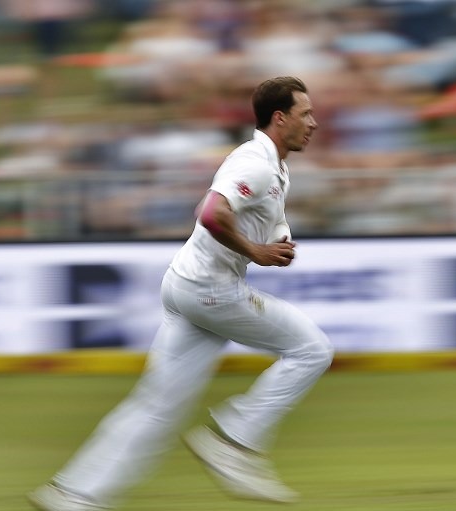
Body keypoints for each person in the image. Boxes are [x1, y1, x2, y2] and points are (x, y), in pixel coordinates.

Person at [28, 76, 334, 511]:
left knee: (155, 408)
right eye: (305, 114)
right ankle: (236, 439)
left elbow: (244, 217)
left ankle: (74, 495)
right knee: (313, 349)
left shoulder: (272, 167)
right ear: (279, 118)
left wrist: (272, 242)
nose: (314, 123)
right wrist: (257, 252)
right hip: (210, 291)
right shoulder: (257, 163)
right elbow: (210, 213)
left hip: (186, 287)